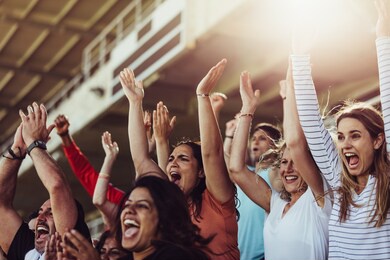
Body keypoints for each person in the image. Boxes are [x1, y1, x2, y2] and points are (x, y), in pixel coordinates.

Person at [291, 1, 390, 259]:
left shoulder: (387, 183)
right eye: (341, 136)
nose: (345, 144)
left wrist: (383, 39)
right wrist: (299, 57)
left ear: (379, 140)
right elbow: (312, 124)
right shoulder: (338, 180)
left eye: (355, 135)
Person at [120, 60, 239, 259]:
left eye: (183, 158)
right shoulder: (168, 207)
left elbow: (212, 154)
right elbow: (141, 159)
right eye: (171, 159)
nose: (173, 163)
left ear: (201, 171)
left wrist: (203, 96)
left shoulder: (216, 201)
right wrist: (134, 103)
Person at [229, 70, 331, 260]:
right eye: (284, 162)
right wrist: (247, 110)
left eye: (296, 162)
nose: (287, 169)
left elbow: (294, 142)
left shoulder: (319, 200)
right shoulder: (275, 204)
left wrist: (290, 92)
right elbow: (236, 169)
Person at [0, 102, 90, 260]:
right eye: (41, 212)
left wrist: (34, 143)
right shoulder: (28, 250)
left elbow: (57, 186)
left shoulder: (70, 248)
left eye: (51, 212)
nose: (40, 218)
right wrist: (17, 151)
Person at [57, 176, 210, 260]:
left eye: (142, 206)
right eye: (127, 205)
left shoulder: (179, 257)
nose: (129, 210)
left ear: (165, 220)